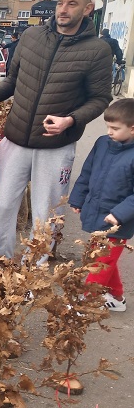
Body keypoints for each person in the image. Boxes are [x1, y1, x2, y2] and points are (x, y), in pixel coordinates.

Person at [0, 0, 113, 261]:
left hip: (55, 145)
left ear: (87, 9)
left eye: (72, 4)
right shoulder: (31, 36)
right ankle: (1, 263)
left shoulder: (98, 50)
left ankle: (34, 270)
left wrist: (70, 120)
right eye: (60, 3)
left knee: (46, 214)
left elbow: (100, 99)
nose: (63, 9)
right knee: (3, 208)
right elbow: (13, 80)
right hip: (16, 139)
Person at [68, 98, 134, 312]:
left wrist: (119, 214)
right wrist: (78, 198)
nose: (109, 132)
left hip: (118, 222)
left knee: (100, 262)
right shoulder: (102, 143)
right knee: (103, 258)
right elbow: (87, 172)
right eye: (107, 126)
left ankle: (85, 302)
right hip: (98, 211)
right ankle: (117, 298)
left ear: (132, 129)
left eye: (115, 128)